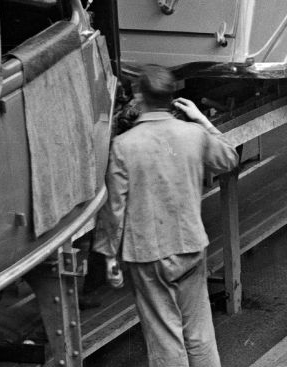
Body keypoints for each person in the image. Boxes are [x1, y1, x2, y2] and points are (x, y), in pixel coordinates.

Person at [94, 66, 239, 367]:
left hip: (147, 254)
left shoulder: (123, 146)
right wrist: (202, 120)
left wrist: (109, 257)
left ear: (139, 96)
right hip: (190, 244)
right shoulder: (193, 135)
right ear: (172, 98)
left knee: (164, 337)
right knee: (200, 333)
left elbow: (114, 208)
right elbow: (229, 159)